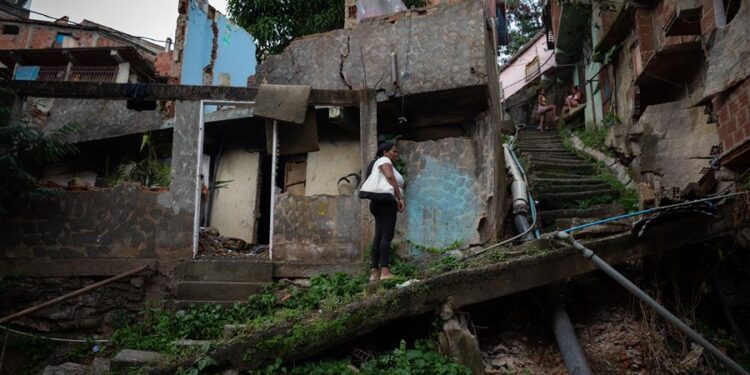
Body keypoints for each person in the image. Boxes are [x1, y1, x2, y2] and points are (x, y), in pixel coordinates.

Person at [366, 142, 405, 282]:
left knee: (378, 236)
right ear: (385, 152)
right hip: (387, 203)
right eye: (393, 151)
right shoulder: (384, 160)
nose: (396, 154)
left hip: (376, 203)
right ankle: (385, 272)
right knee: (386, 237)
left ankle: (374, 273)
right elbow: (389, 176)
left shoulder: (375, 163)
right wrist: (400, 198)